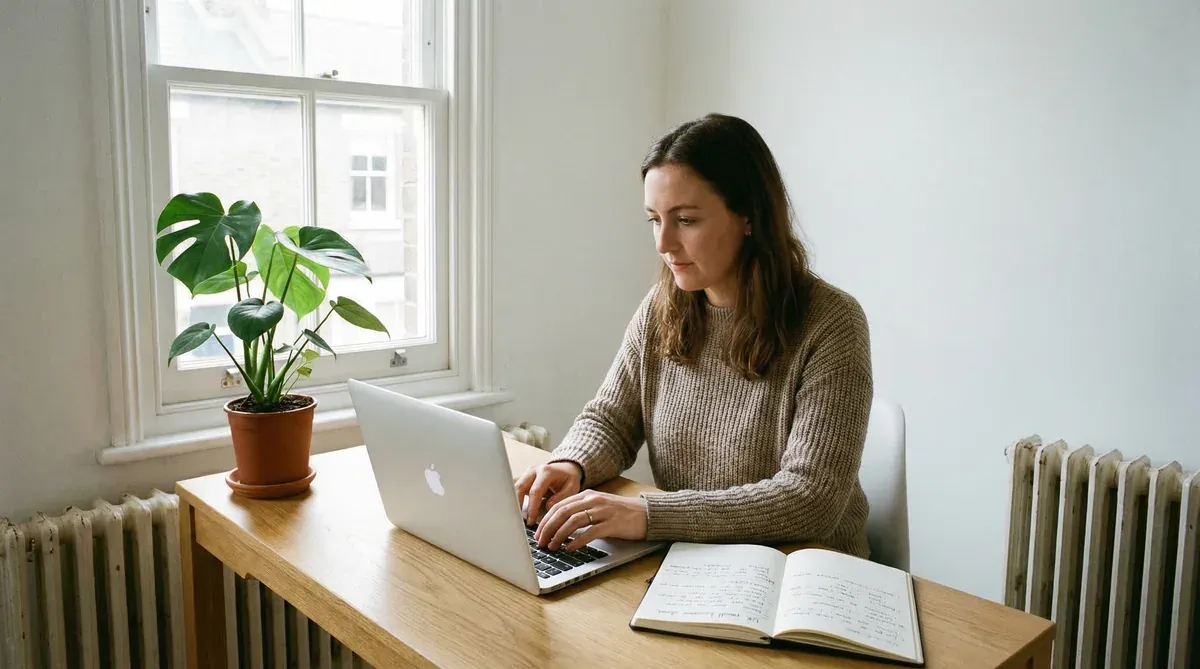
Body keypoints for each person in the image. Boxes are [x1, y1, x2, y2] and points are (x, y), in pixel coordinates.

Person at [514, 113, 873, 559]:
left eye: (685, 220)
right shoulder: (663, 306)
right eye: (653, 219)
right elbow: (611, 419)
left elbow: (809, 500)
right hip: (694, 562)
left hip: (804, 579)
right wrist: (572, 462)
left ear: (748, 217)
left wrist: (647, 515)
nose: (663, 243)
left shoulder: (832, 323)